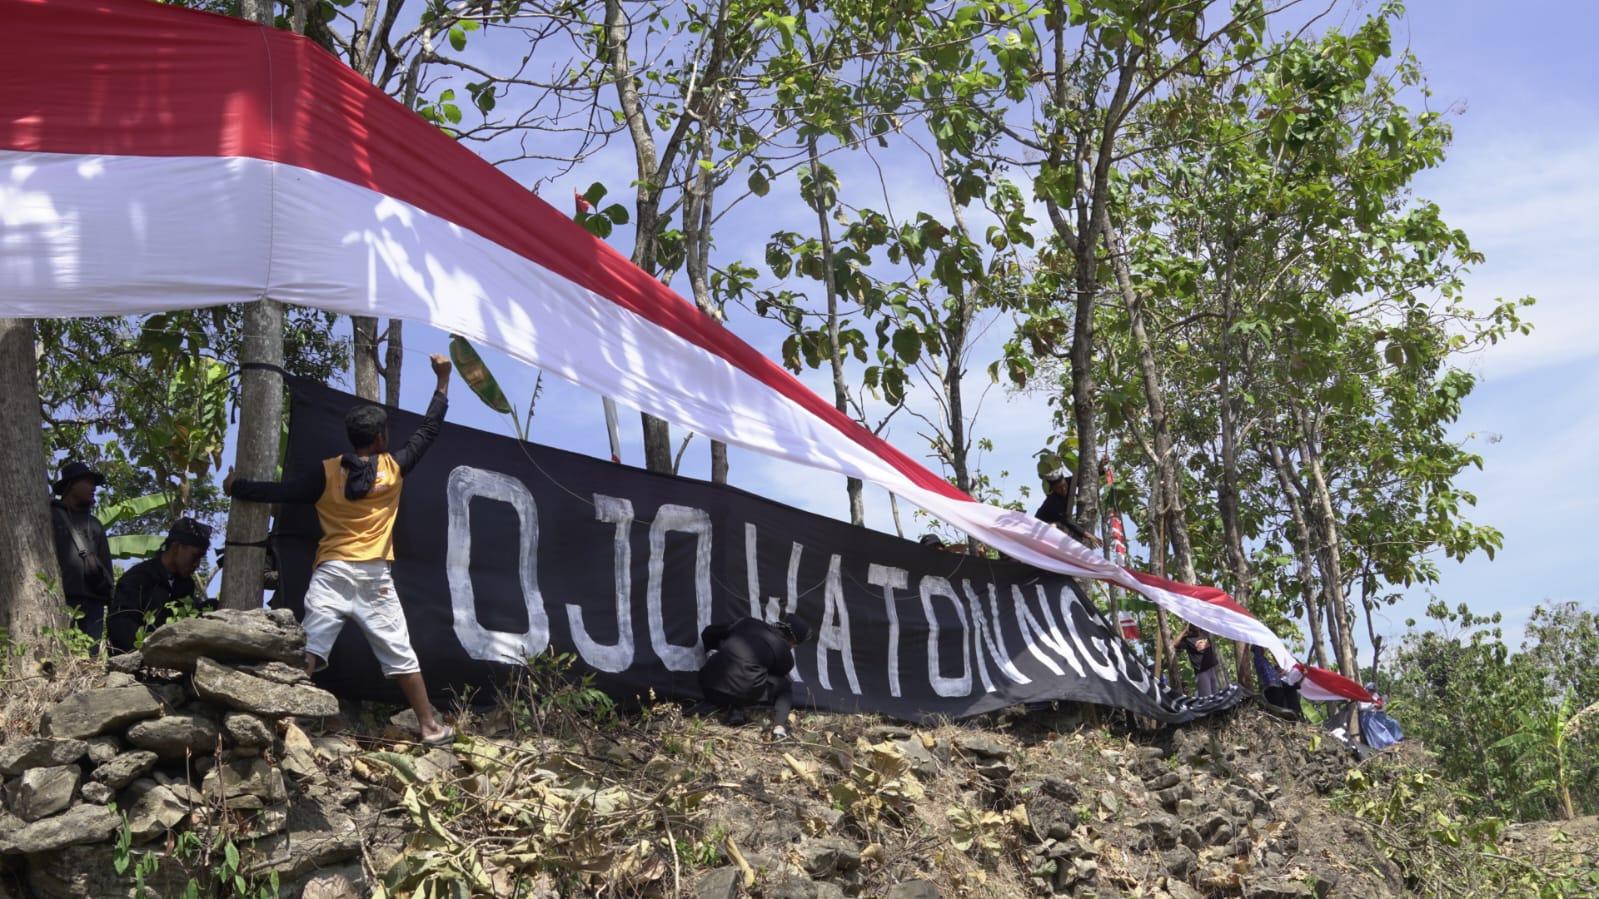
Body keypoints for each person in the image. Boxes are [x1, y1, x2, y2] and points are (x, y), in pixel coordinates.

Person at [224, 354, 456, 745]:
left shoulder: (327, 472)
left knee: (310, 648)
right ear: (381, 438)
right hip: (373, 577)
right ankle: (431, 727)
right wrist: (443, 381)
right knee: (400, 653)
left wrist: (237, 486)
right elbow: (429, 429)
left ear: (352, 438)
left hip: (331, 572)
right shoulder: (394, 468)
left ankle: (283, 721)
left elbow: (279, 492)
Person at [698, 614, 812, 742]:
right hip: (743, 695)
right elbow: (769, 677)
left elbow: (708, 632)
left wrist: (711, 654)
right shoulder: (785, 654)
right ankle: (779, 729)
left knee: (748, 675)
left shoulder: (747, 622)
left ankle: (736, 710)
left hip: (708, 686)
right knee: (784, 686)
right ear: (793, 642)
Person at [107, 518, 214, 653]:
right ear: (176, 547)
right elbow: (121, 625)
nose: (197, 564)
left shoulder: (186, 585)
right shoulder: (138, 578)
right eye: (195, 556)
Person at [49, 460, 115, 647]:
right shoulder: (50, 516)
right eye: (87, 482)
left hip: (94, 602)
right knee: (60, 649)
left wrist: (111, 600)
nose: (93, 487)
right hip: (62, 599)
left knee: (91, 655)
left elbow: (106, 565)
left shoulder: (95, 524)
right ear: (71, 485)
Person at [1033, 467, 1101, 548]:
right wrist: (1088, 535)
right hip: (1044, 528)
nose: (1063, 489)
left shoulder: (1070, 483)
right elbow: (1066, 520)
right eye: (1059, 488)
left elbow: (1087, 480)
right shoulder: (1052, 502)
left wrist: (1100, 468)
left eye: (1064, 485)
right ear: (1053, 489)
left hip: (1061, 524)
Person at [1251, 644, 1302, 719]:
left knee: (1291, 688)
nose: (1263, 649)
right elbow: (1258, 656)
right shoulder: (1259, 659)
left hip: (1277, 687)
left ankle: (1293, 713)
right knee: (1289, 689)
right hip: (1271, 688)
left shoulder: (1268, 665)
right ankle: (1290, 714)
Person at [1178, 624, 1221, 697]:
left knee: (1215, 696)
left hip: (1211, 669)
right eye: (1193, 625)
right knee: (1207, 699)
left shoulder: (1204, 632)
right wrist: (1184, 631)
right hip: (1202, 672)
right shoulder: (1188, 639)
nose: (1196, 626)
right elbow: (1174, 644)